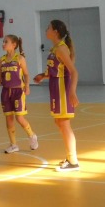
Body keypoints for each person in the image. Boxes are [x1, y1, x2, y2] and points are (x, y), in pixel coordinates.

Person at [34, 19, 80, 172]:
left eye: (48, 27)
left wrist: (72, 92)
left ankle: (73, 161)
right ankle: (69, 156)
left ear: (55, 31)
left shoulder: (61, 49)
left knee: (64, 123)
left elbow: (73, 72)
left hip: (62, 89)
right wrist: (43, 75)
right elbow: (57, 70)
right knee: (59, 122)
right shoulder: (55, 48)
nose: (46, 29)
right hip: (55, 87)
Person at [0, 34, 38, 154]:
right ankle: (13, 144)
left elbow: (26, 74)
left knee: (19, 117)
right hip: (6, 91)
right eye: (3, 42)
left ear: (14, 45)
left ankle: (32, 135)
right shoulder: (1, 60)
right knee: (9, 118)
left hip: (18, 91)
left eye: (6, 42)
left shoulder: (20, 59)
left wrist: (27, 86)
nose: (3, 44)